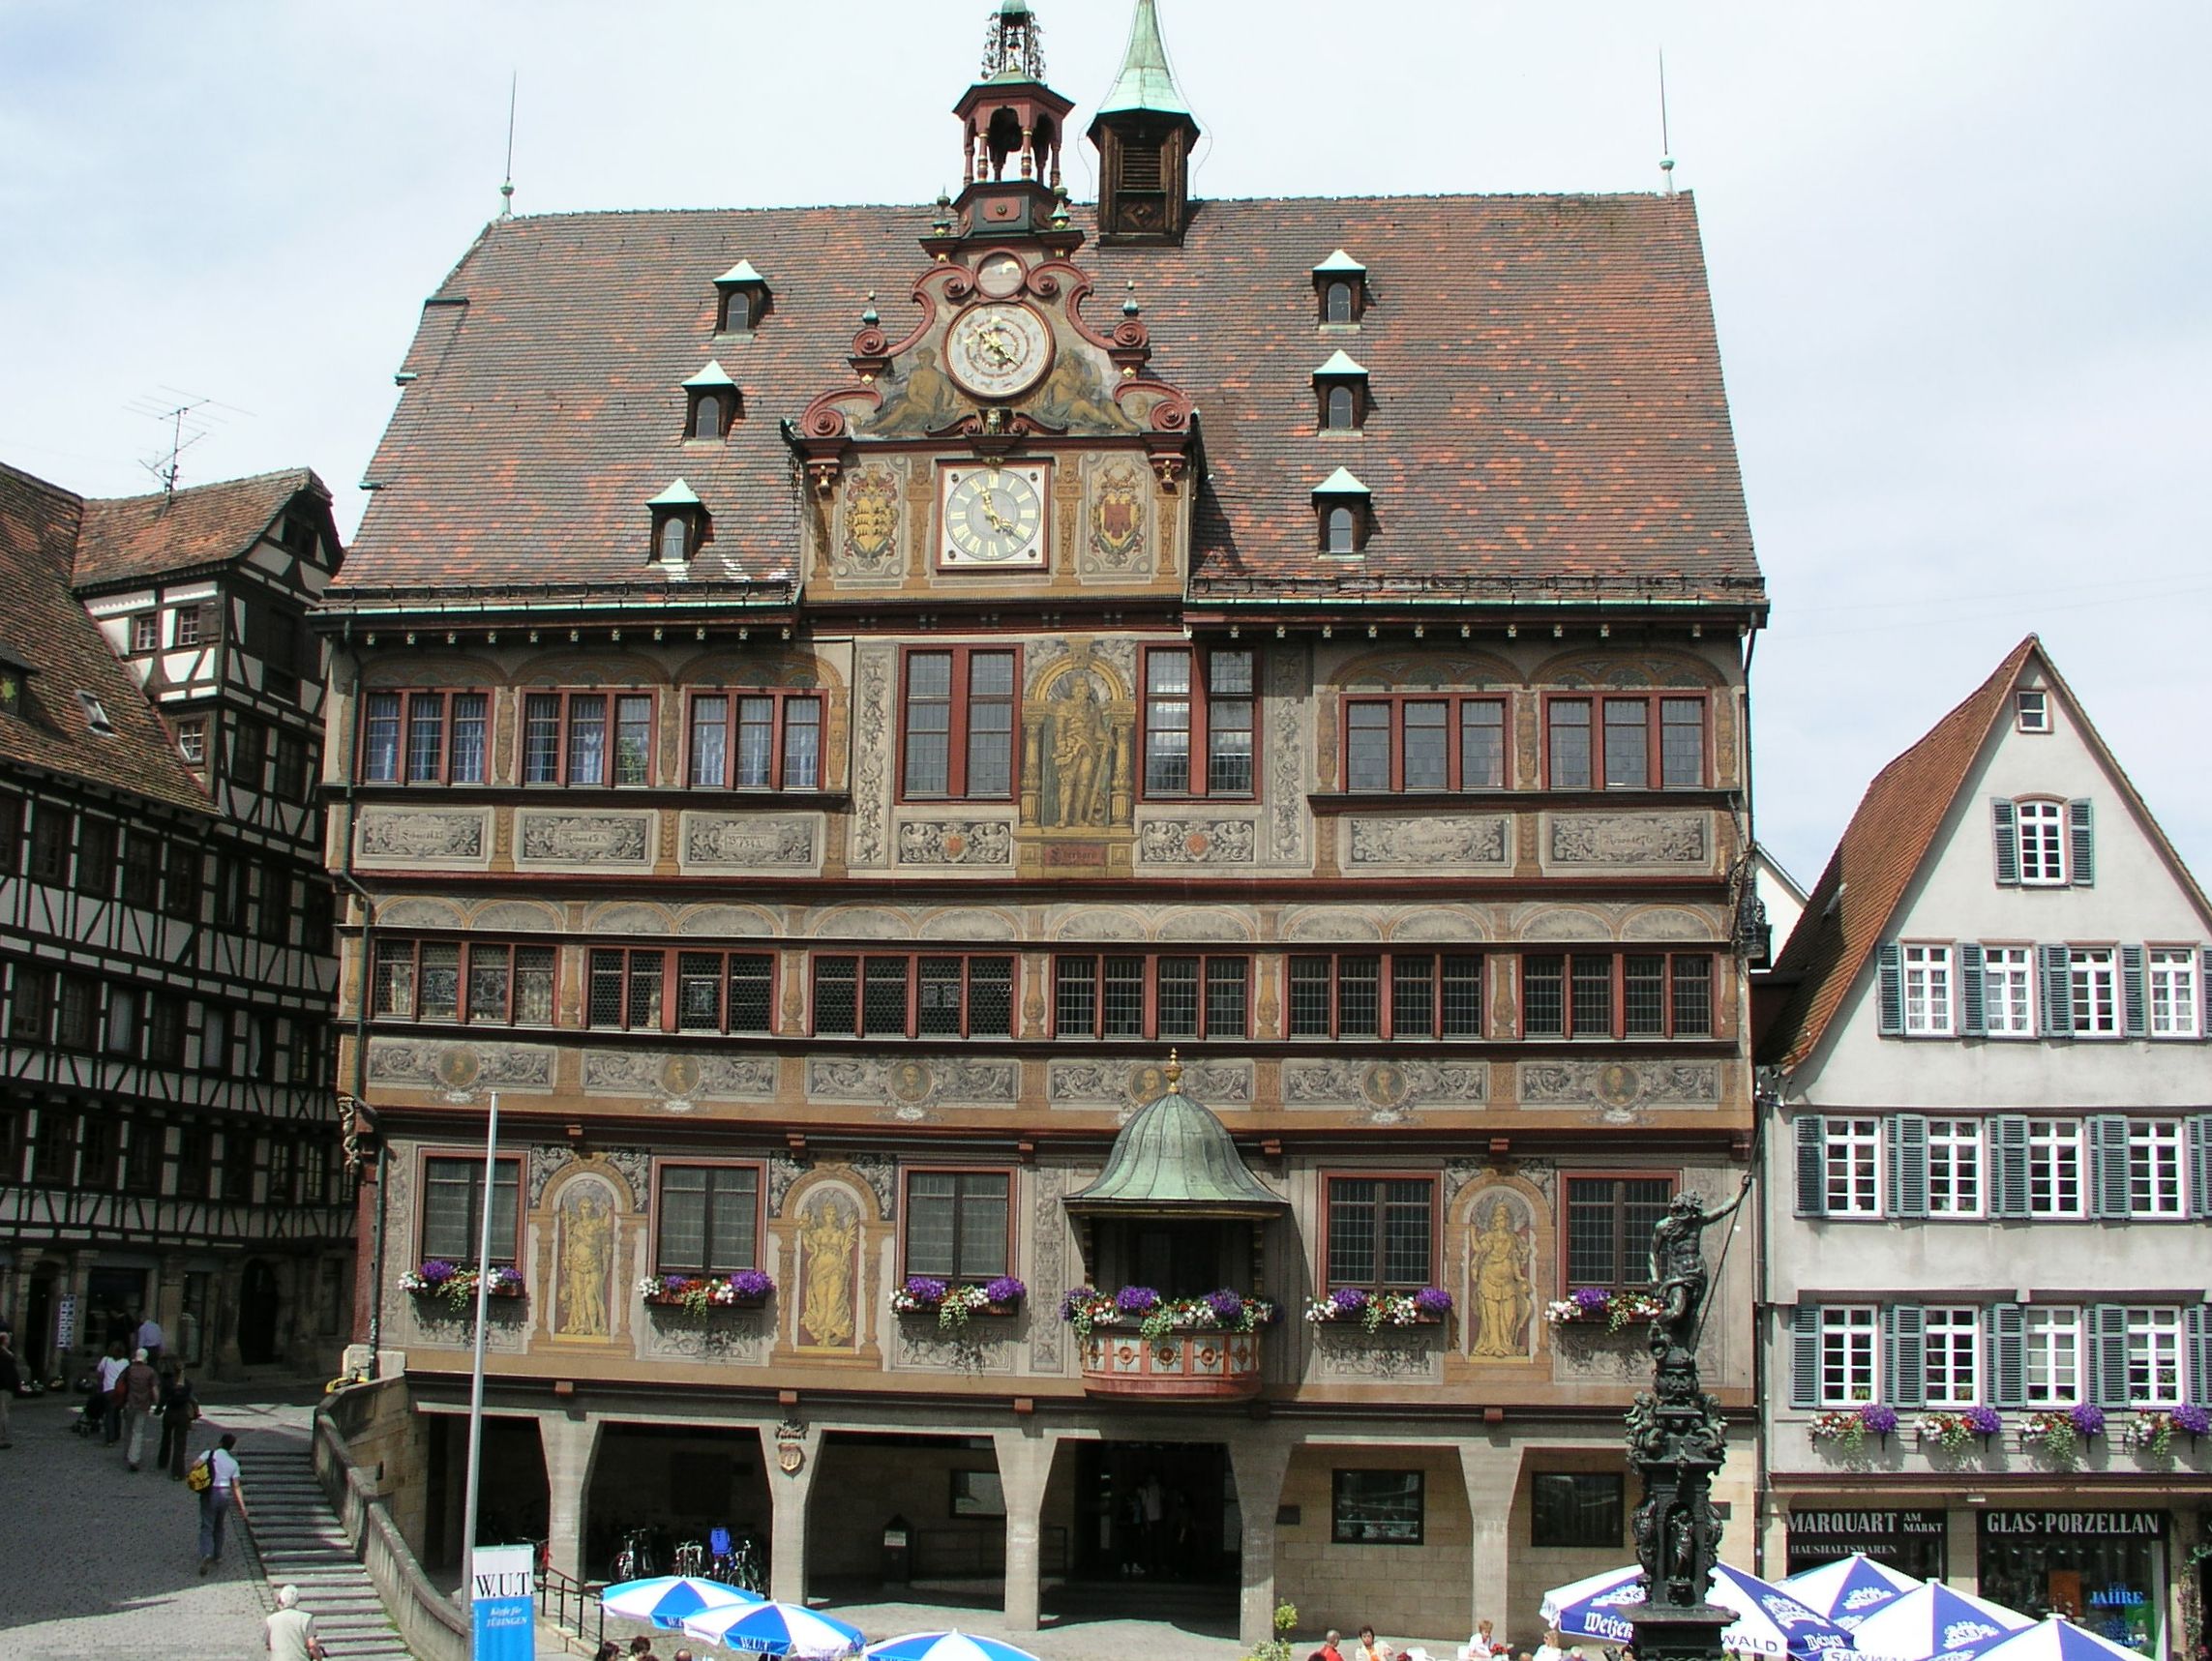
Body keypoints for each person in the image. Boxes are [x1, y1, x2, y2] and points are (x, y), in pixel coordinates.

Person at [197, 1431, 245, 1573]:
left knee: (207, 1525)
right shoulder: (233, 1463)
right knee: (219, 1525)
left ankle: (206, 1553)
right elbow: (236, 1486)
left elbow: (195, 1465)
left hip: (210, 1492)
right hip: (225, 1493)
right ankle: (217, 1555)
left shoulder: (209, 1454)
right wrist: (242, 1507)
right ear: (231, 1447)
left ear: (220, 1443)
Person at [119, 1347, 160, 1470]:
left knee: (128, 1429)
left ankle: (127, 1453)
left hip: (129, 1403)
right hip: (143, 1404)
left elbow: (121, 1384)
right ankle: (134, 1458)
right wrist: (158, 1403)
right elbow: (154, 1390)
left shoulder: (129, 1370)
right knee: (138, 1431)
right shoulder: (150, 1372)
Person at [158, 1363, 199, 1479]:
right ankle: (177, 1472)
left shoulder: (167, 1383)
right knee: (180, 1444)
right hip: (182, 1415)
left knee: (166, 1437)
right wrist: (195, 1413)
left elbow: (163, 1399)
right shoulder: (187, 1384)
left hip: (170, 1413)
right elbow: (192, 1400)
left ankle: (162, 1461)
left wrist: (158, 1409)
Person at [265, 1585, 325, 1661]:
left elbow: (268, 1645)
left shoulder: (271, 1620)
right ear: (297, 1601)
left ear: (280, 1600)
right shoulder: (305, 1618)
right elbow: (312, 1645)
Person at [97, 1341, 130, 1442]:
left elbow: (99, 1372)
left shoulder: (106, 1360)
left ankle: (110, 1438)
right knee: (117, 1412)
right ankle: (117, 1434)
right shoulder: (126, 1362)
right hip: (120, 1390)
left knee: (109, 1414)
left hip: (108, 1389)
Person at [0, 1325, 18, 1448]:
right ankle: (1, 1438)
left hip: (7, 1386)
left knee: (4, 1411)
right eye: (7, 1338)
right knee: (2, 1412)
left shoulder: (6, 1352)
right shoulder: (2, 1354)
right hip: (3, 1386)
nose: (9, 1340)